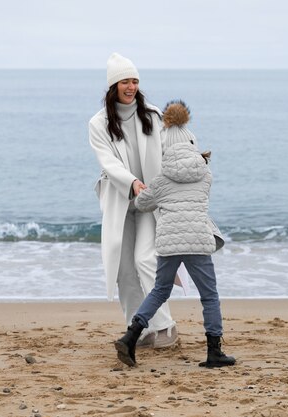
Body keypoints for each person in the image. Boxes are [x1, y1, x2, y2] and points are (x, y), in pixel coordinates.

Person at [114, 100, 236, 368]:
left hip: (169, 242)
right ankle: (214, 351)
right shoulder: (206, 176)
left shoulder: (161, 179)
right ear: (192, 143)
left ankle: (131, 336)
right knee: (209, 296)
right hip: (197, 241)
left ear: (165, 148)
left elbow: (144, 204)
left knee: (159, 291)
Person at [89, 53, 178, 348]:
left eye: (135, 81)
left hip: (150, 202)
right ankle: (139, 329)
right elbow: (108, 162)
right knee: (123, 270)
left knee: (145, 259)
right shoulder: (98, 123)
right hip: (120, 202)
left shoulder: (151, 115)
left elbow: (170, 150)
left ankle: (165, 327)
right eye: (125, 81)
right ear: (113, 85)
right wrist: (131, 183)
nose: (131, 87)